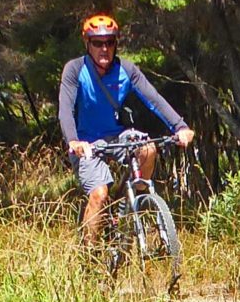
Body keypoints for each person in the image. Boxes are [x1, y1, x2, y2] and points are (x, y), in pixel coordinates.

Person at [59, 14, 194, 250]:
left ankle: (130, 207)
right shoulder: (74, 70)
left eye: (109, 42)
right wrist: (73, 141)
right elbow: (65, 111)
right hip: (87, 143)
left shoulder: (126, 70)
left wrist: (180, 126)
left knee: (147, 149)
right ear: (87, 43)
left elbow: (154, 100)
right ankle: (89, 258)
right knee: (99, 194)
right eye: (97, 42)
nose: (104, 48)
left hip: (117, 136)